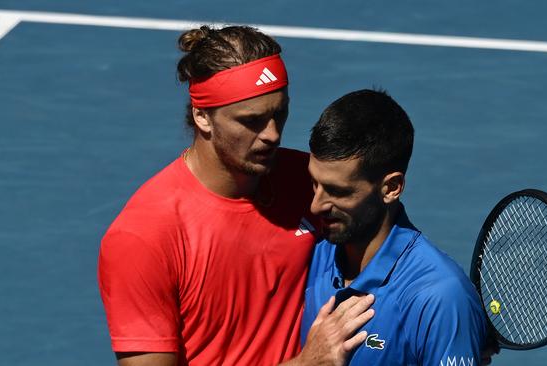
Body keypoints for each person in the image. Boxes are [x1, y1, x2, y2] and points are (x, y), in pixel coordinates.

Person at [97, 26, 374, 366]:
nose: (271, 134)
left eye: (279, 113)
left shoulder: (310, 180)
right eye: (251, 121)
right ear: (203, 117)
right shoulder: (143, 236)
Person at [301, 89, 487, 365]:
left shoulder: (440, 299)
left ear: (391, 188)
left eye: (337, 192)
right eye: (314, 184)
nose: (316, 206)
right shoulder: (308, 251)